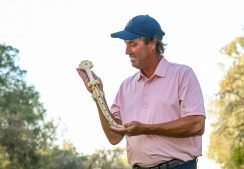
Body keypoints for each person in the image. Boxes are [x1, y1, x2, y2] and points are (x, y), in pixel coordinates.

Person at [77, 14, 205, 169]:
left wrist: (145, 129)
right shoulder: (126, 86)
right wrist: (98, 95)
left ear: (152, 43)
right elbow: (114, 136)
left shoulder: (183, 75)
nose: (127, 51)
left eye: (133, 44)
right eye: (126, 44)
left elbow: (196, 125)